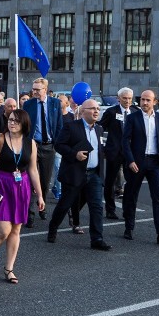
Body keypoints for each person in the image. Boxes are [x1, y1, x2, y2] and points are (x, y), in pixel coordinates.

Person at [0, 109, 44, 284]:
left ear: (23, 124)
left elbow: (33, 170)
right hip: (2, 184)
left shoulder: (30, 143)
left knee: (16, 230)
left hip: (22, 186)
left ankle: (9, 268)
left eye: (16, 121)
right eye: (10, 120)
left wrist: (39, 195)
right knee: (4, 230)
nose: (11, 123)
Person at [47, 99, 112, 251]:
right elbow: (59, 145)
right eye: (92, 109)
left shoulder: (99, 129)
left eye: (97, 108)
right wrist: (74, 154)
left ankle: (97, 238)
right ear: (82, 112)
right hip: (75, 174)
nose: (96, 111)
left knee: (96, 207)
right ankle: (53, 228)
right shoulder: (71, 127)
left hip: (94, 174)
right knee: (65, 204)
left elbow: (100, 149)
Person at [121, 90, 159, 244]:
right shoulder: (132, 118)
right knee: (131, 195)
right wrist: (130, 161)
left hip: (154, 162)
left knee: (158, 197)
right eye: (142, 99)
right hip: (137, 162)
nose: (144, 103)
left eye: (148, 100)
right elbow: (125, 141)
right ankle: (129, 228)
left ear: (154, 102)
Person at [22, 77, 62, 227]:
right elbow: (24, 125)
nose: (35, 92)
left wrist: (56, 144)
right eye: (34, 89)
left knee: (45, 181)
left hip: (49, 146)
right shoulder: (28, 104)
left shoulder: (55, 103)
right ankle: (29, 213)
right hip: (32, 145)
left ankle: (42, 205)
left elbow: (59, 125)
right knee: (31, 180)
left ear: (45, 90)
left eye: (38, 89)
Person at [99, 87, 138, 220]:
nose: (127, 101)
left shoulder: (135, 112)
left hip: (130, 154)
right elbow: (100, 129)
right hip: (114, 153)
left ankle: (128, 209)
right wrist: (102, 147)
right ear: (118, 98)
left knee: (131, 182)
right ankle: (110, 210)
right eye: (124, 98)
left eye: (129, 99)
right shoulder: (111, 112)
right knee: (110, 182)